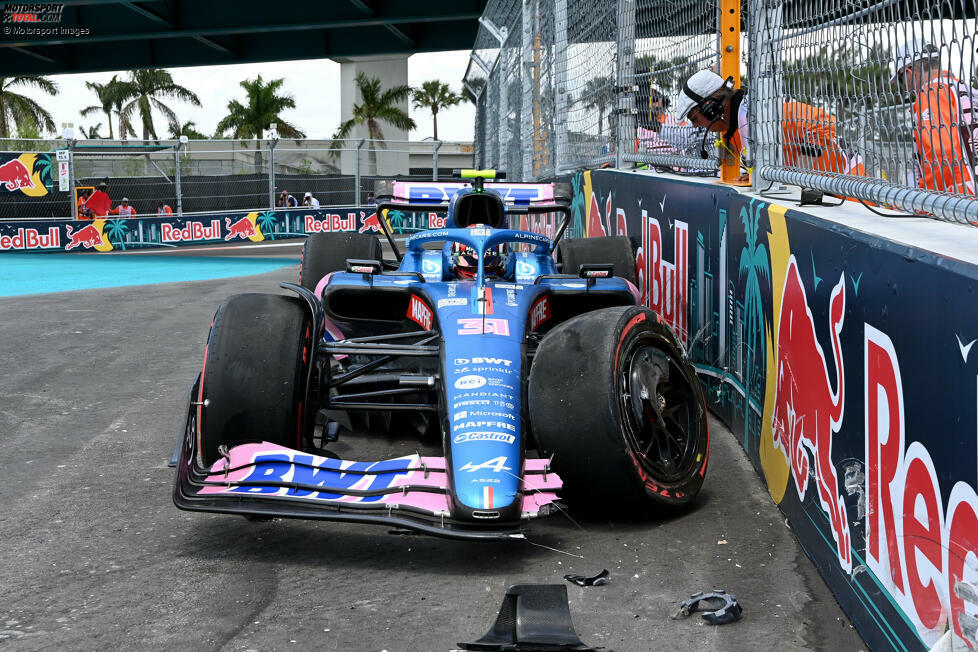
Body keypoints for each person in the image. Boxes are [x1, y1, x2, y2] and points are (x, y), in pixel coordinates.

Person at [676, 69, 867, 185]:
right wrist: (759, 175)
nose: (697, 125)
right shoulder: (736, 125)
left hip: (847, 183)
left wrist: (801, 158)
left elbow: (823, 123)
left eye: (694, 118)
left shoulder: (758, 111)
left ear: (711, 106)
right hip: (821, 188)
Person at [889, 40, 978, 195]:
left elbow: (940, 154)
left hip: (964, 197)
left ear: (908, 71)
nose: (906, 87)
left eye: (902, 80)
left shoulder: (932, 92)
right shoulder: (967, 89)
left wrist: (928, 201)